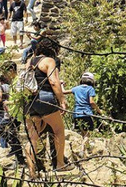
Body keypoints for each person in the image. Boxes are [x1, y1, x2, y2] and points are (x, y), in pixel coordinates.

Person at [24, 37, 71, 174]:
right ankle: (60, 164)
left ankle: (32, 172)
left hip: (29, 100)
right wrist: (62, 99)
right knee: (58, 130)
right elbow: (53, 81)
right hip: (45, 97)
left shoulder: (29, 61)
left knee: (33, 137)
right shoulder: (49, 61)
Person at [64, 72, 101, 158]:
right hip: (86, 113)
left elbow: (63, 92)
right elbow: (91, 102)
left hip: (77, 114)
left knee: (83, 133)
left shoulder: (76, 88)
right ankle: (82, 150)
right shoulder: (90, 89)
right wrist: (99, 111)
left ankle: (86, 152)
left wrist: (62, 84)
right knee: (87, 134)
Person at [0, 62, 25, 164]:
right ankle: (18, 154)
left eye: (5, 72)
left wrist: (9, 102)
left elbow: (21, 98)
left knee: (2, 128)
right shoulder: (13, 82)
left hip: (16, 113)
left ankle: (18, 155)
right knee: (10, 134)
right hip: (12, 113)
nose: (5, 75)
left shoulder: (18, 81)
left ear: (11, 71)